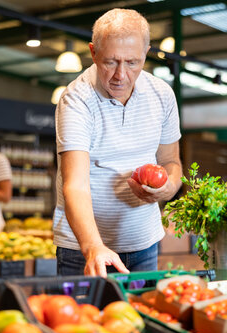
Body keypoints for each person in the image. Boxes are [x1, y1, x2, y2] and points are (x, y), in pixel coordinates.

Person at [54, 8, 183, 277]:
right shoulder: (76, 100)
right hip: (83, 249)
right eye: (110, 62)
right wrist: (93, 247)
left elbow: (171, 161)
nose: (120, 75)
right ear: (93, 52)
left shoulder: (162, 95)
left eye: (133, 62)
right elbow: (75, 184)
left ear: (146, 52)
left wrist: (169, 188)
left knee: (138, 318)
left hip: (144, 244)